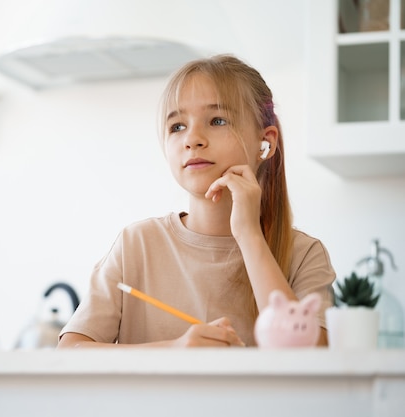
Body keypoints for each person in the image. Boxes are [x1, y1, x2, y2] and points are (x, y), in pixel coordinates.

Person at [57, 54, 335, 348]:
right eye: (177, 126)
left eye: (217, 120)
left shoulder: (304, 255)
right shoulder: (134, 245)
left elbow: (310, 362)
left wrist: (249, 235)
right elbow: (70, 353)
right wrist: (174, 350)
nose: (192, 139)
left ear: (265, 142)